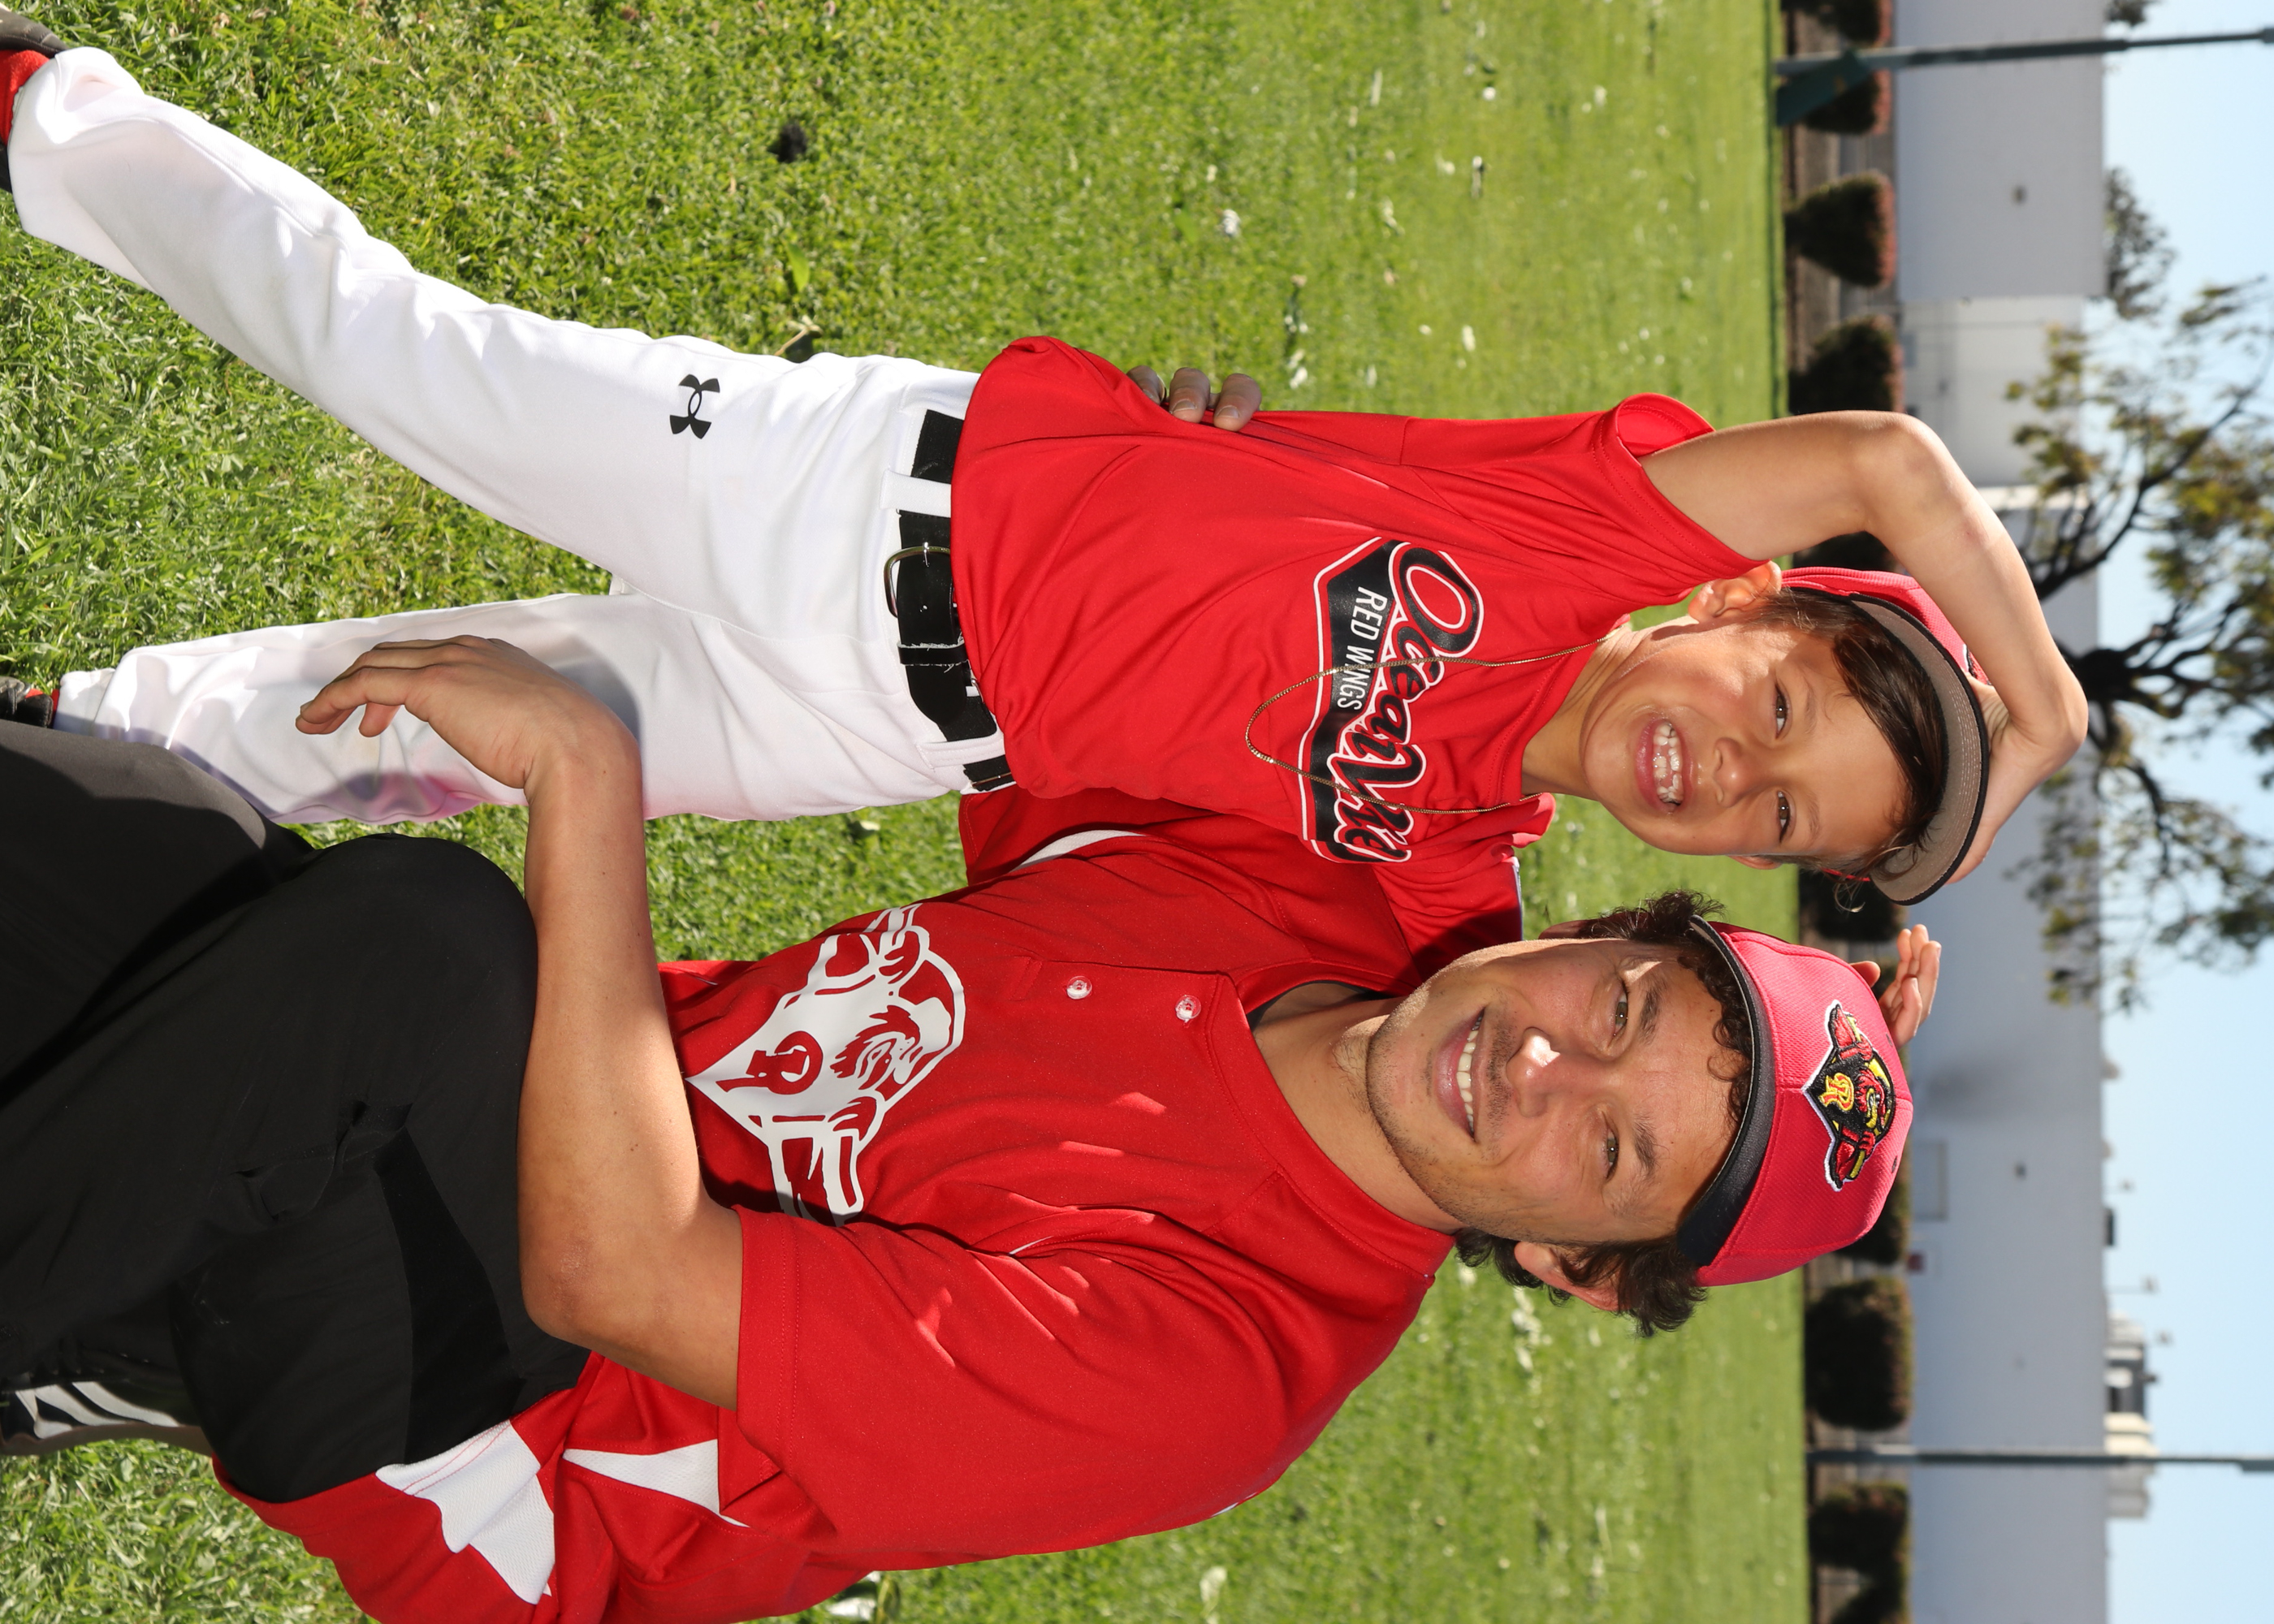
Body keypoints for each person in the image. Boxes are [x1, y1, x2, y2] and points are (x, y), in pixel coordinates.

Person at [0, 23, 2086, 968]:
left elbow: (1538, 1076)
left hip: (882, 732)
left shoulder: (1453, 873)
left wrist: (1842, 1003)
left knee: (438, 739)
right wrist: (2038, 713)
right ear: (1745, 604)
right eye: (1782, 709)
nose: (1732, 771)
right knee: (400, 354)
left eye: (1779, 821)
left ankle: (74, 739)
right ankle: (46, 114)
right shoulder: (1598, 528)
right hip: (866, 502)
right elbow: (1882, 460)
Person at [2, 623, 1936, 1620]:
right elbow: (1124, 633)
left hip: (511, 1437)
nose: (1542, 1067)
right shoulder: (1326, 892)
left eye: (1610, 1152)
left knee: (416, 955)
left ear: (1569, 1263)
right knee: (119, 837)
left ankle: (118, 1306)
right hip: (498, 1103)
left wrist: (586, 777)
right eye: (1619, 1011)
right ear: (1592, 927)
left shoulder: (1219, 1366)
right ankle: (124, 1268)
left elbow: (614, 1269)